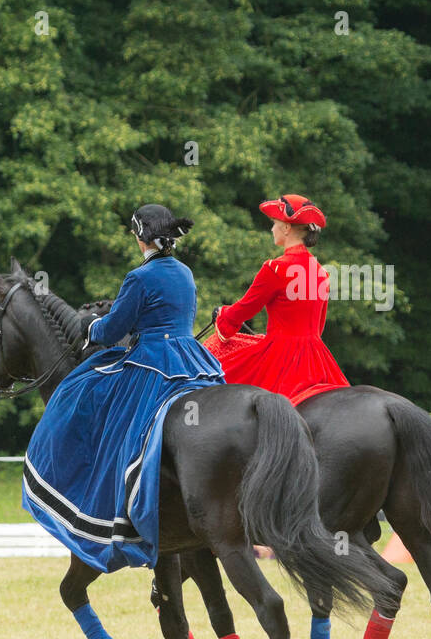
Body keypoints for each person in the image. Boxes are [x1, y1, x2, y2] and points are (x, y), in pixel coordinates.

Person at [22, 204, 224, 574]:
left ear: (140, 237)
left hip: (152, 361)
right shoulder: (185, 273)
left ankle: (108, 505)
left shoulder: (139, 277)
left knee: (82, 394)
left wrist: (91, 328)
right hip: (192, 360)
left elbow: (114, 330)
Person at [206, 194, 349, 405]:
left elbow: (244, 310)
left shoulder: (276, 268)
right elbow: (318, 326)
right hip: (317, 357)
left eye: (274, 223)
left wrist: (223, 316)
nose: (272, 229)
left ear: (287, 228)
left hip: (281, 357)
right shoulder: (320, 272)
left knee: (212, 372)